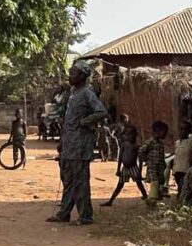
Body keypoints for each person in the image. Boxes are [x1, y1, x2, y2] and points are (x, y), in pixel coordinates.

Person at [48, 61, 107, 225]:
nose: (69, 77)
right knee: (68, 180)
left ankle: (85, 216)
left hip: (81, 146)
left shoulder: (87, 93)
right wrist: (62, 141)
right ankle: (63, 213)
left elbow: (101, 112)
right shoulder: (73, 94)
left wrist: (85, 121)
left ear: (82, 76)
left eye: (73, 74)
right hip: (69, 145)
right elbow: (68, 122)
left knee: (81, 182)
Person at [102, 123, 147, 206]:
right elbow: (120, 158)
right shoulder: (124, 145)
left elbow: (140, 161)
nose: (127, 137)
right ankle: (110, 201)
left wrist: (139, 173)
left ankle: (147, 199)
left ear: (134, 135)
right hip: (125, 168)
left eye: (129, 135)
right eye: (127, 135)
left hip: (133, 168)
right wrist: (118, 169)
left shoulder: (136, 146)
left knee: (139, 184)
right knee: (119, 185)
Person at [140, 120, 169, 203]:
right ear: (158, 131)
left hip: (160, 167)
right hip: (153, 167)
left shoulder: (160, 143)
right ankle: (151, 200)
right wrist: (147, 159)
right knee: (154, 182)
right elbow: (141, 151)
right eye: (164, 132)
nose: (165, 135)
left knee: (160, 183)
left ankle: (157, 199)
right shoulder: (150, 142)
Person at [171, 122, 192, 202]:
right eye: (181, 129)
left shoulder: (191, 142)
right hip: (177, 170)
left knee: (183, 188)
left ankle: (181, 203)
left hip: (186, 169)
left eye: (186, 129)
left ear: (189, 131)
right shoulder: (177, 143)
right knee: (180, 187)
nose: (183, 131)